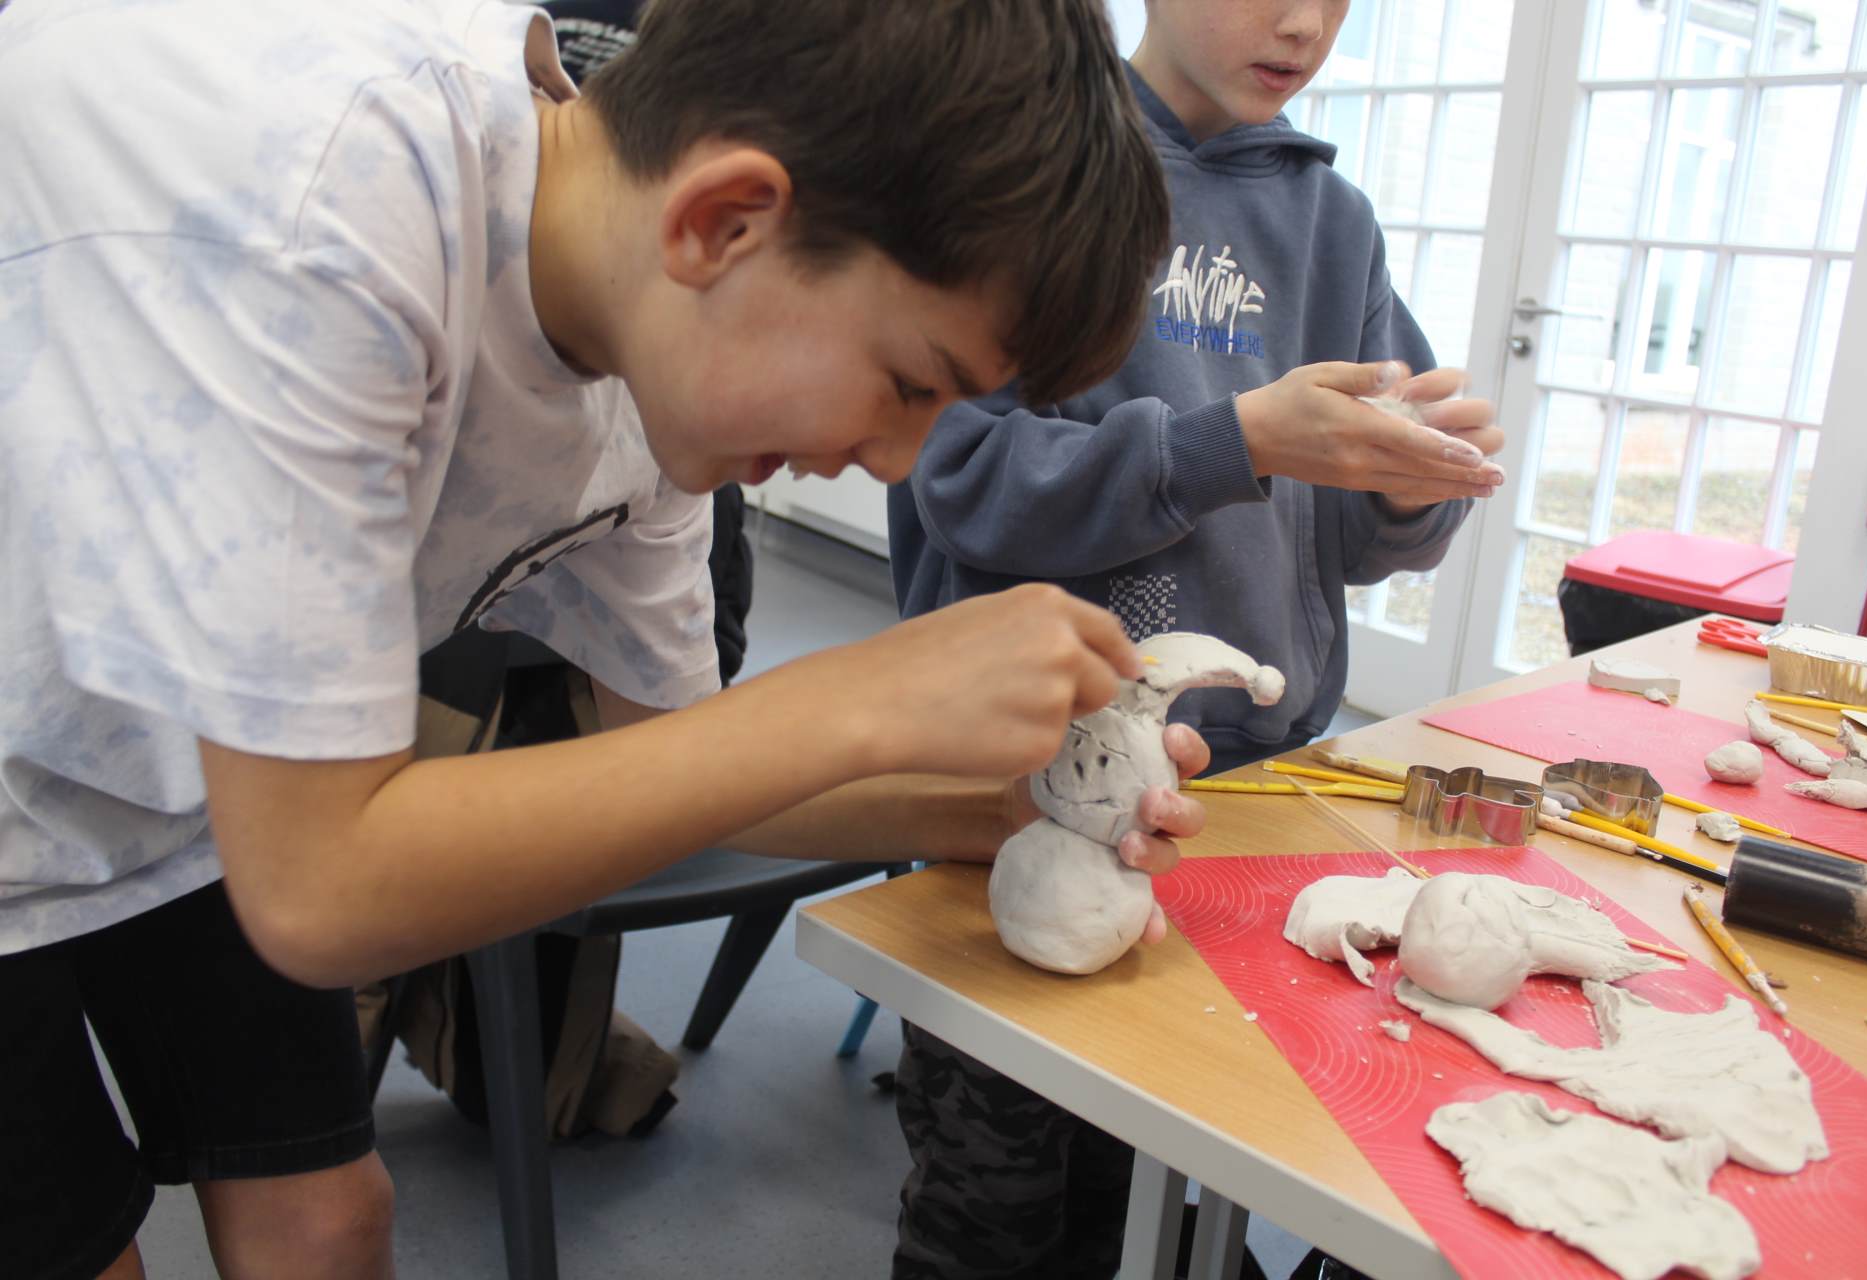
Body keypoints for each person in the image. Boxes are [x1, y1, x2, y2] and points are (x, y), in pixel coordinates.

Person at [0, 2, 1207, 1276]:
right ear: (724, 221)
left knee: (326, 1222)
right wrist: (859, 697)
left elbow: (679, 755)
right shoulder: (332, 217)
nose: (899, 461)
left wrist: (987, 807)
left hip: (190, 764)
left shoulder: (656, 352)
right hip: (76, 756)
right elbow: (317, 887)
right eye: (911, 381)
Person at [885, 2, 1509, 1277]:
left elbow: (1349, 534)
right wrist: (1239, 439)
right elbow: (963, 478)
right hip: (1017, 781)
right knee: (996, 1196)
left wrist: (1410, 490)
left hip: (1236, 795)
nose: (1303, 23)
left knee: (1161, 1168)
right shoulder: (1025, 169)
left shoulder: (1333, 225)